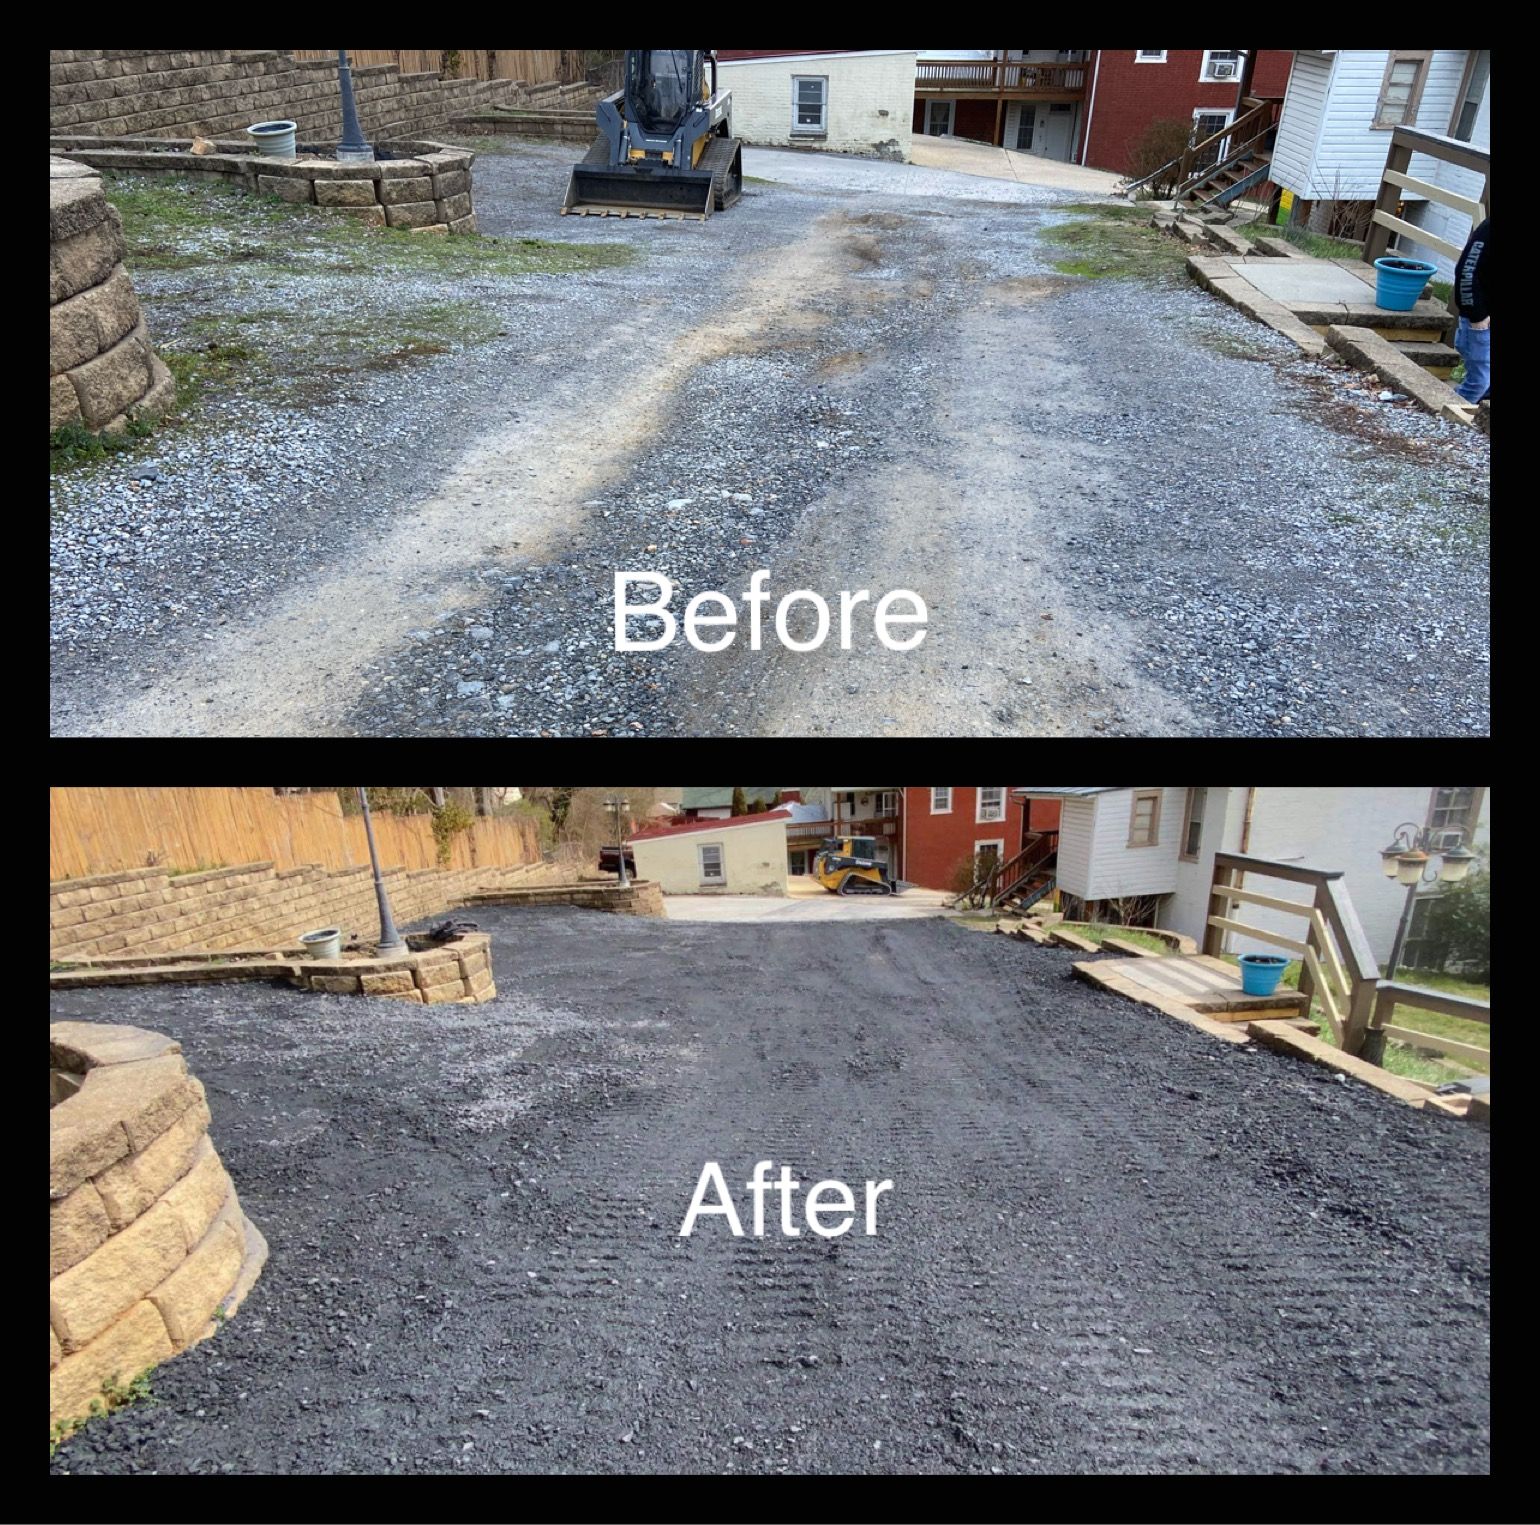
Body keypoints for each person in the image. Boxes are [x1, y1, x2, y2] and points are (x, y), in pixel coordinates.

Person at [1452, 217, 1489, 403]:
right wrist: (1477, 316)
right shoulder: (1488, 230)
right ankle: (1447, 417)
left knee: (1486, 388)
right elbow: (1466, 271)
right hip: (1479, 322)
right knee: (1479, 383)